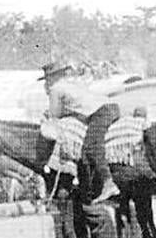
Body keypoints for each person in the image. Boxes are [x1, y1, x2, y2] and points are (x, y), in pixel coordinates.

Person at [41, 62, 120, 203]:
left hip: (101, 112)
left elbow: (55, 115)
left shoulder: (55, 89)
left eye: (47, 79)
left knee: (91, 146)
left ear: (51, 78)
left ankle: (108, 183)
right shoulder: (71, 84)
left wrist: (46, 114)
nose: (47, 83)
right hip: (108, 107)